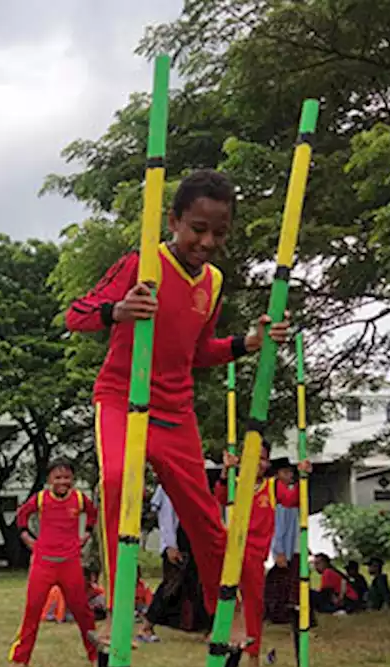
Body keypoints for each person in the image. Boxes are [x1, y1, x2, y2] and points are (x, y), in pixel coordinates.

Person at [66, 169, 292, 624]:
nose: (207, 241)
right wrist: (119, 310)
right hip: (120, 401)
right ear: (173, 221)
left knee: (209, 524)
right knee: (115, 483)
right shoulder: (141, 265)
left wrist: (243, 345)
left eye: (219, 233)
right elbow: (76, 315)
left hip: (175, 413)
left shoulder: (213, 282)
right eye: (198, 228)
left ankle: (223, 615)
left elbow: (197, 352)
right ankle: (118, 603)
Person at [218, 445, 308, 667]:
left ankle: (253, 656)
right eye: (254, 457)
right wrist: (224, 471)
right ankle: (223, 642)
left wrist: (303, 476)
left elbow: (291, 499)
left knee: (254, 604)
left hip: (256, 554)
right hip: (233, 548)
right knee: (226, 597)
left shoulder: (271, 486)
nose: (259, 463)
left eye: (263, 459)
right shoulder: (235, 482)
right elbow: (218, 496)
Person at [8, 459, 100, 667]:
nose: (62, 482)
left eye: (67, 477)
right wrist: (26, 538)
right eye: (57, 477)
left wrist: (86, 534)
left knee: (82, 611)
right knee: (33, 610)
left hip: (70, 563)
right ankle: (21, 660)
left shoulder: (78, 499)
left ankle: (95, 656)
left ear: (73, 479)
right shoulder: (41, 499)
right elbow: (22, 514)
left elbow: (93, 514)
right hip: (43, 563)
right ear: (49, 479)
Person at [141, 484, 209, 640]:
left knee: (197, 584)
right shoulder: (169, 484)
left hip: (195, 537)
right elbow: (166, 517)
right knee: (171, 584)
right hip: (178, 540)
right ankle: (146, 626)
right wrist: (170, 545)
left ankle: (207, 628)